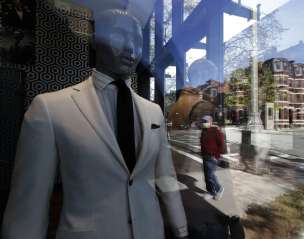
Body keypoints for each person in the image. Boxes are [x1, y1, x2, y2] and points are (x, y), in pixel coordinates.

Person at [2, 8, 188, 239]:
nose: (131, 47)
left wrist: (181, 229)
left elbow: (166, 176)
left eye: (137, 40)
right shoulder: (50, 108)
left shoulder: (154, 112)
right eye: (119, 35)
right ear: (95, 40)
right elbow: (30, 201)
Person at [200, 115, 225, 200]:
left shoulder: (215, 131)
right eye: (203, 121)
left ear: (210, 122)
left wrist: (217, 156)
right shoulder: (204, 131)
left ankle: (219, 189)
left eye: (206, 121)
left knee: (210, 175)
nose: (204, 123)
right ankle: (210, 191)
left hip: (212, 157)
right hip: (205, 156)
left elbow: (221, 144)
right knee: (207, 176)